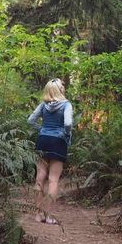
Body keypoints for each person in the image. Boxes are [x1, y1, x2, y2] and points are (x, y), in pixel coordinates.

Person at [27, 78, 73, 224]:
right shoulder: (66, 105)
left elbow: (30, 120)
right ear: (60, 90)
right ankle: (50, 216)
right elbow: (68, 123)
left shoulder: (43, 105)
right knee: (53, 180)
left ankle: (38, 214)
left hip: (43, 140)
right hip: (58, 142)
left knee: (39, 179)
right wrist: (65, 134)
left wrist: (42, 129)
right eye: (63, 86)